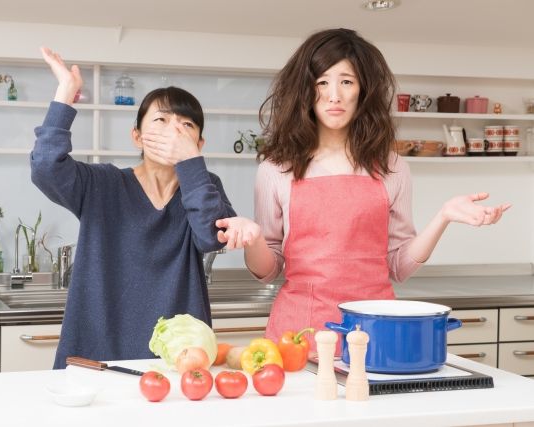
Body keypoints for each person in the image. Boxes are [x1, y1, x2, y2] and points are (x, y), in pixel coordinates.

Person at [215, 28, 511, 351]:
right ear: (305, 91)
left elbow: (398, 267)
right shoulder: (275, 170)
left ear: (363, 90)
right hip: (300, 334)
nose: (334, 95)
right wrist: (254, 239)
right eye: (322, 82)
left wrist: (443, 217)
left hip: (375, 333)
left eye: (346, 81)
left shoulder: (394, 167)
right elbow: (268, 270)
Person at [32, 47, 236, 368]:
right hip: (96, 355)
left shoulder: (203, 185)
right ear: (137, 137)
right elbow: (45, 167)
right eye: (161, 120)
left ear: (199, 145)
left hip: (177, 357)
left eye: (186, 125)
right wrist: (65, 94)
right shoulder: (101, 184)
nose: (174, 131)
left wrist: (192, 165)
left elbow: (212, 237)